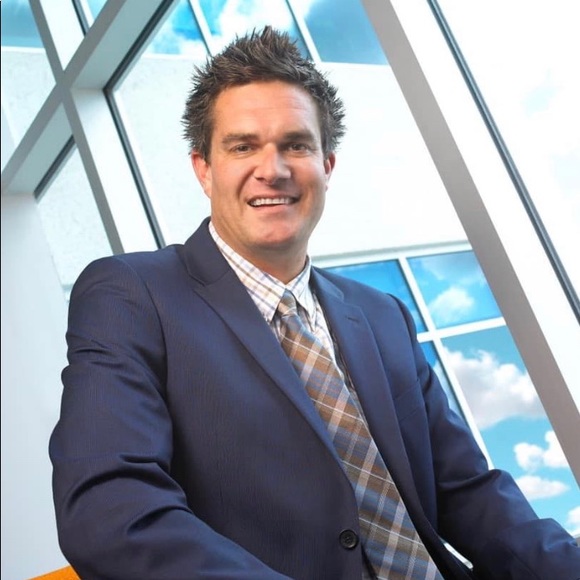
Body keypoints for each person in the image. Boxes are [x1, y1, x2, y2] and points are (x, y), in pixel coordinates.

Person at [49, 26, 580, 579]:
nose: (273, 169)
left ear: (327, 165)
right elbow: (111, 511)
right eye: (242, 146)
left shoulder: (383, 315)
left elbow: (466, 491)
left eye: (296, 145)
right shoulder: (132, 295)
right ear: (203, 169)